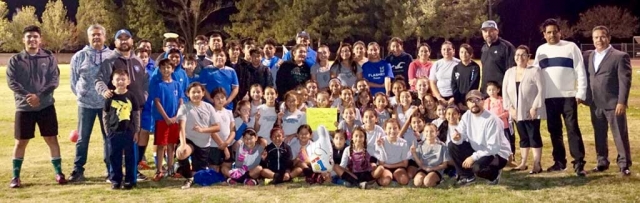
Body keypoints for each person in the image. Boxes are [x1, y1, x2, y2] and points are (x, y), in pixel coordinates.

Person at [8, 25, 66, 188]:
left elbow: (54, 80)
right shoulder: (16, 60)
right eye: (29, 36)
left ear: (40, 39)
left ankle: (59, 173)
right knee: (21, 142)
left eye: (35, 36)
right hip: (24, 107)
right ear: (23, 39)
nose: (32, 39)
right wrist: (29, 96)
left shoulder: (48, 58)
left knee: (51, 139)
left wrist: (39, 96)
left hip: (45, 106)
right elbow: (12, 82)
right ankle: (15, 177)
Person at [532, 18, 587, 176]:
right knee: (554, 131)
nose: (552, 35)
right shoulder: (540, 50)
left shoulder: (571, 47)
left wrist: (581, 92)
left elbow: (580, 71)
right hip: (549, 98)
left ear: (560, 32)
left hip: (568, 96)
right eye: (548, 32)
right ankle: (559, 162)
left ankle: (578, 163)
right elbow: (535, 73)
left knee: (572, 129)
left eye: (555, 32)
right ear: (544, 35)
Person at [584, 26, 632, 176]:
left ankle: (624, 165)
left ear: (609, 38)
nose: (599, 40)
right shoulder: (589, 56)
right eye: (596, 37)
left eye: (602, 36)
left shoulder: (619, 56)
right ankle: (602, 162)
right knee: (599, 134)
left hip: (613, 104)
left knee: (619, 134)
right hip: (595, 104)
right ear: (592, 40)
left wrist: (621, 102)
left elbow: (625, 81)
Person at [69, 24, 113, 182]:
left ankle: (111, 170)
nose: (96, 37)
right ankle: (78, 170)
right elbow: (73, 81)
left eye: (99, 34)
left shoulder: (112, 55)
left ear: (104, 36)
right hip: (86, 105)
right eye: (93, 35)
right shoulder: (79, 56)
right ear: (88, 37)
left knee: (108, 137)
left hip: (106, 105)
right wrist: (83, 95)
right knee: (82, 138)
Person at [449, 90, 512, 186]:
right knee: (452, 145)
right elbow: (460, 133)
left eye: (477, 100)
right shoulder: (467, 116)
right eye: (471, 101)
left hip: (497, 153)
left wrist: (473, 157)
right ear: (467, 104)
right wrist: (457, 138)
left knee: (478, 168)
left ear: (483, 101)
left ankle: (494, 174)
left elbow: (493, 148)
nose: (474, 103)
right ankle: (467, 176)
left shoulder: (492, 120)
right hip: (479, 149)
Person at [502, 45, 546, 174]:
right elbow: (505, 92)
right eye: (517, 55)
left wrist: (534, 107)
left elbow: (541, 90)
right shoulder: (509, 72)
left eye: (523, 55)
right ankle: (523, 162)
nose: (519, 57)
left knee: (534, 136)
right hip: (516, 112)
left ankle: (537, 164)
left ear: (528, 57)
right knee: (523, 137)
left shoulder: (535, 71)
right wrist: (510, 108)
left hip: (531, 111)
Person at [175, 82, 220, 189]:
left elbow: (217, 127)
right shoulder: (184, 108)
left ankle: (183, 170)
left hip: (204, 144)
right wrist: (182, 144)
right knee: (182, 152)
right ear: (188, 94)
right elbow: (181, 127)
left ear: (203, 93)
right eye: (193, 92)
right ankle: (188, 177)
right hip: (189, 140)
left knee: (199, 177)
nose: (196, 94)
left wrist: (202, 130)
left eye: (198, 92)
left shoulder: (208, 107)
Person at [103, 69, 140, 190]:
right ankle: (116, 180)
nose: (120, 82)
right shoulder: (110, 97)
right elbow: (105, 114)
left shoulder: (131, 96)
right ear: (113, 82)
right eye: (118, 79)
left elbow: (136, 114)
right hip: (114, 132)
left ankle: (130, 180)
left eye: (123, 79)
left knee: (131, 156)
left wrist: (136, 131)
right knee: (114, 157)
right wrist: (108, 130)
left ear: (128, 81)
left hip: (129, 132)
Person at [150, 59, 184, 181]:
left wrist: (176, 117)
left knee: (171, 145)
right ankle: (159, 170)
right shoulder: (158, 85)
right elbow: (157, 102)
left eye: (168, 67)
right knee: (161, 145)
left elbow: (181, 101)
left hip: (174, 120)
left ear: (173, 69)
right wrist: (166, 117)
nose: (166, 70)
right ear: (159, 69)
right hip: (162, 120)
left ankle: (170, 169)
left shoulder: (177, 85)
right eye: (163, 67)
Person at [479, 20, 516, 95]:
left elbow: (512, 71)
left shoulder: (507, 47)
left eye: (491, 31)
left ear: (497, 31)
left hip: (501, 92)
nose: (488, 34)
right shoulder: (484, 48)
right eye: (485, 31)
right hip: (486, 93)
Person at [411, 123, 450, 188]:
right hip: (424, 168)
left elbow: (444, 165)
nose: (429, 133)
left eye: (432, 131)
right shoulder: (420, 145)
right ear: (423, 133)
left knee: (427, 182)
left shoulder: (442, 146)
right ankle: (424, 179)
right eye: (426, 131)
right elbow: (420, 163)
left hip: (436, 169)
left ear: (437, 133)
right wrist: (414, 153)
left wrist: (432, 168)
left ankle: (438, 179)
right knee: (417, 182)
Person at [209, 88, 236, 179]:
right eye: (217, 98)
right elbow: (212, 132)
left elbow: (233, 130)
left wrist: (227, 143)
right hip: (215, 146)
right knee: (214, 170)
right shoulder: (210, 112)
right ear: (212, 99)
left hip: (227, 144)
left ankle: (234, 178)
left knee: (226, 168)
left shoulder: (229, 112)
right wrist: (222, 145)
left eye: (222, 97)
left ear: (226, 98)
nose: (220, 100)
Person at [451, 44, 480, 110]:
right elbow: (454, 85)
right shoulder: (456, 68)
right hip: (458, 102)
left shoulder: (475, 67)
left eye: (466, 52)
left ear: (471, 54)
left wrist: (467, 100)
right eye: (461, 52)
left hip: (470, 101)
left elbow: (474, 84)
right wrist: (458, 101)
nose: (464, 54)